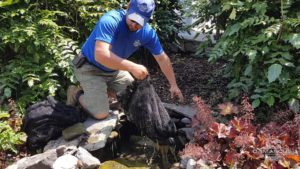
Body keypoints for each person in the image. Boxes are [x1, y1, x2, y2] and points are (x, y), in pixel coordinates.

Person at [67, 0, 184, 120]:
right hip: (89, 67)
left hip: (113, 70)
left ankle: (105, 92)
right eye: (133, 19)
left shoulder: (147, 33)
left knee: (134, 95)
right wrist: (133, 67)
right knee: (101, 113)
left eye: (140, 22)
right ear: (128, 7)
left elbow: (162, 59)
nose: (134, 25)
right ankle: (76, 93)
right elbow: (101, 55)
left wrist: (173, 85)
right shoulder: (111, 20)